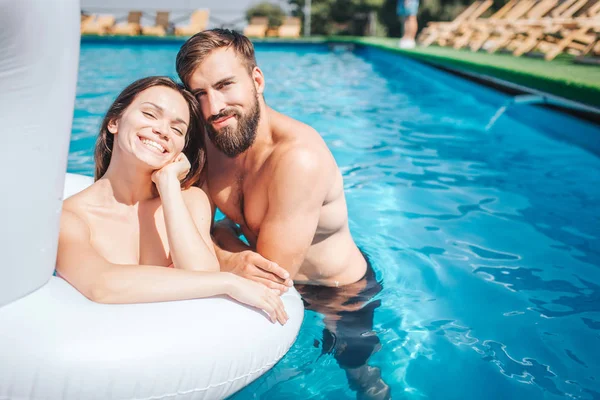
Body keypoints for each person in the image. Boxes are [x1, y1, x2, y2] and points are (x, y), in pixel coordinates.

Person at [176, 30, 390, 399]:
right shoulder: (213, 138)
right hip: (271, 271)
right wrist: (229, 250)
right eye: (200, 94)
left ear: (256, 80)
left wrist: (223, 241)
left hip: (340, 293)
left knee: (358, 375)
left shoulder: (298, 159)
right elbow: (185, 223)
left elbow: (271, 276)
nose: (214, 107)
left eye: (226, 85)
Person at [55, 76, 288, 326]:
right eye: (150, 114)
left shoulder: (189, 201)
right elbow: (100, 285)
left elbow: (201, 275)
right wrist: (229, 281)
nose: (163, 131)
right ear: (115, 122)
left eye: (177, 129)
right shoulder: (71, 216)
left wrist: (168, 185)